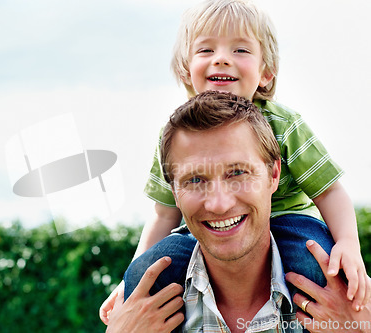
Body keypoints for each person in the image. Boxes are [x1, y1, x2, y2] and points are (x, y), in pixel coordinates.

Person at [99, 0, 370, 324]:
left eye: (240, 50)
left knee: (318, 269)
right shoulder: (175, 135)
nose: (222, 58)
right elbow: (163, 213)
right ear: (187, 69)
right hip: (201, 236)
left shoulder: (283, 122)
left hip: (290, 224)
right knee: (151, 271)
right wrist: (130, 282)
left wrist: (349, 245)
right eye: (206, 51)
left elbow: (329, 191)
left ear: (265, 72)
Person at [106, 91, 371, 333]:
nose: (219, 204)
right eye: (194, 180)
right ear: (174, 192)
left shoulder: (350, 306)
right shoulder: (141, 314)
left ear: (274, 174)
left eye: (238, 173)